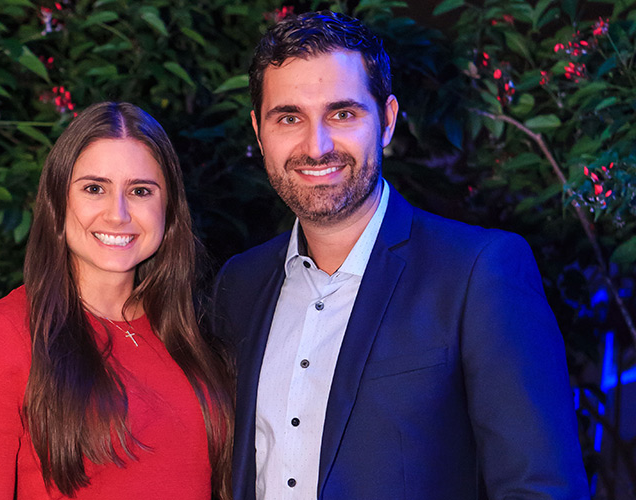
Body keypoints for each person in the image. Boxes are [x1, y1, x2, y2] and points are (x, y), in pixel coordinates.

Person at [212, 11, 589, 500]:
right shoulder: (239, 285)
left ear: (387, 121)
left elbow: (541, 488)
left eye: (342, 114)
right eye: (289, 118)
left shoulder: (478, 273)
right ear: (259, 131)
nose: (316, 146)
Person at [0, 102, 232, 500]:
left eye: (140, 191)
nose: (118, 214)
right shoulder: (5, 334)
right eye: (95, 189)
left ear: (168, 209)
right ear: (58, 202)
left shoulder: (192, 334)